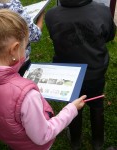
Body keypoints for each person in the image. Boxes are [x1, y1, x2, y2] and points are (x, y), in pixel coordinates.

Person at [0, 4, 86, 150]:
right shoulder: (27, 96)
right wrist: (71, 109)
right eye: (25, 47)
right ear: (14, 49)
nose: (25, 52)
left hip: (8, 135)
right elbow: (43, 135)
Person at [45, 0, 116, 150]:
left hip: (67, 74)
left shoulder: (51, 15)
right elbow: (109, 35)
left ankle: (75, 140)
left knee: (73, 105)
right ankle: (97, 141)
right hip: (94, 72)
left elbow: (54, 37)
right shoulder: (102, 11)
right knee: (96, 104)